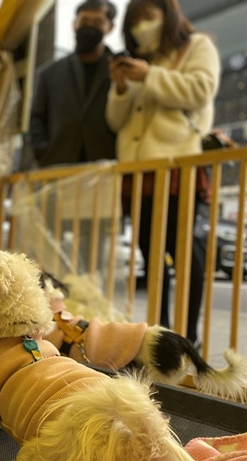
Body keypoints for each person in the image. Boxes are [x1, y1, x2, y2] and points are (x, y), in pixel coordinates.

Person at [106, 0, 221, 347]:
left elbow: (202, 89)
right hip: (138, 173)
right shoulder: (139, 59)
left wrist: (149, 76)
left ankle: (188, 336)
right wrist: (123, 88)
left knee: (186, 252)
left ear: (168, 14)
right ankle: (162, 334)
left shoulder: (197, 46)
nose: (142, 24)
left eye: (149, 15)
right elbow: (115, 120)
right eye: (136, 18)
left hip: (176, 167)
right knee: (149, 251)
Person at [29, 0, 118, 168]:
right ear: (74, 23)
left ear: (110, 27)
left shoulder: (120, 71)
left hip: (107, 166)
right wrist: (43, 153)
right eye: (84, 21)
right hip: (58, 167)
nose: (89, 27)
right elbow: (36, 118)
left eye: (97, 22)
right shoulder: (48, 74)